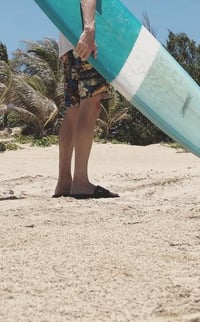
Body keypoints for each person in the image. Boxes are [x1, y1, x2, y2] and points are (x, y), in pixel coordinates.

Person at [53, 0, 119, 199]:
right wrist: (89, 29)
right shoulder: (88, 31)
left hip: (67, 37)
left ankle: (64, 182)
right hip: (86, 38)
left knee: (73, 109)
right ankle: (81, 181)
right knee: (90, 105)